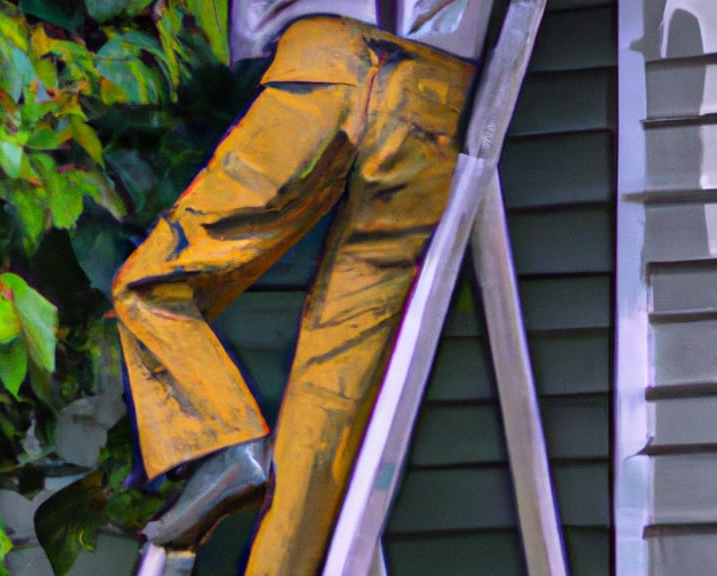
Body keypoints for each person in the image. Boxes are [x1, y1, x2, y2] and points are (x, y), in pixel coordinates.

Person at [111, 2, 492, 572]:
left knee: (151, 283)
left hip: (326, 63)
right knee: (334, 389)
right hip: (434, 96)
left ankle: (223, 442)